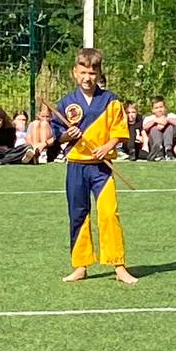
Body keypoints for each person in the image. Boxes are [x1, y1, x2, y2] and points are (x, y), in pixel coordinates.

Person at [50, 47, 137, 285]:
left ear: (99, 74)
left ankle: (118, 265)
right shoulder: (66, 103)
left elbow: (119, 132)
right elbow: (57, 136)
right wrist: (67, 135)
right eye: (83, 72)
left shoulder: (111, 101)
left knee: (109, 214)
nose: (87, 77)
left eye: (92, 73)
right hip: (76, 167)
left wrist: (106, 146)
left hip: (101, 168)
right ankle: (80, 265)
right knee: (78, 214)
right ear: (74, 73)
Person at [142, 96, 176, 161]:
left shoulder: (170, 115)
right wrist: (156, 121)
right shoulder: (150, 118)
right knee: (154, 128)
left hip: (170, 141)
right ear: (152, 110)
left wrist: (166, 120)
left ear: (165, 107)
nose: (159, 110)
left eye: (161, 107)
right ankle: (159, 150)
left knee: (169, 127)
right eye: (156, 108)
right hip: (154, 142)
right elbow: (145, 127)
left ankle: (168, 150)